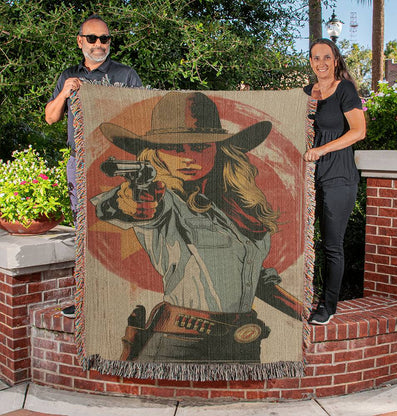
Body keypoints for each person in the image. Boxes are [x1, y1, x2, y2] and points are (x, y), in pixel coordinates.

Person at [92, 91, 303, 363]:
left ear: (218, 149)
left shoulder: (232, 205)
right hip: (180, 347)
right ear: (156, 153)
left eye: (201, 147)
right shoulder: (164, 198)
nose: (188, 157)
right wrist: (133, 203)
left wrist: (305, 313)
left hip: (243, 344)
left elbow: (250, 279)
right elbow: (125, 205)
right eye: (176, 148)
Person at [45, 14, 142, 318]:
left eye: (105, 39)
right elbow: (50, 117)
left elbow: (141, 116)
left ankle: (122, 301)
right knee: (84, 231)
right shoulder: (68, 76)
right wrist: (65, 92)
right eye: (92, 38)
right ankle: (86, 301)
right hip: (80, 163)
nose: (99, 44)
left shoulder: (125, 76)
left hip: (116, 164)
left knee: (120, 228)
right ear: (80, 41)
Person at [303, 38, 366, 325]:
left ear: (336, 60)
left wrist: (321, 150)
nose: (321, 63)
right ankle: (303, 297)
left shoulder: (345, 90)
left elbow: (358, 131)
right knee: (302, 241)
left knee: (331, 245)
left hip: (338, 177)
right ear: (311, 62)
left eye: (326, 57)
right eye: (316, 58)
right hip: (308, 178)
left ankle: (327, 306)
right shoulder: (306, 93)